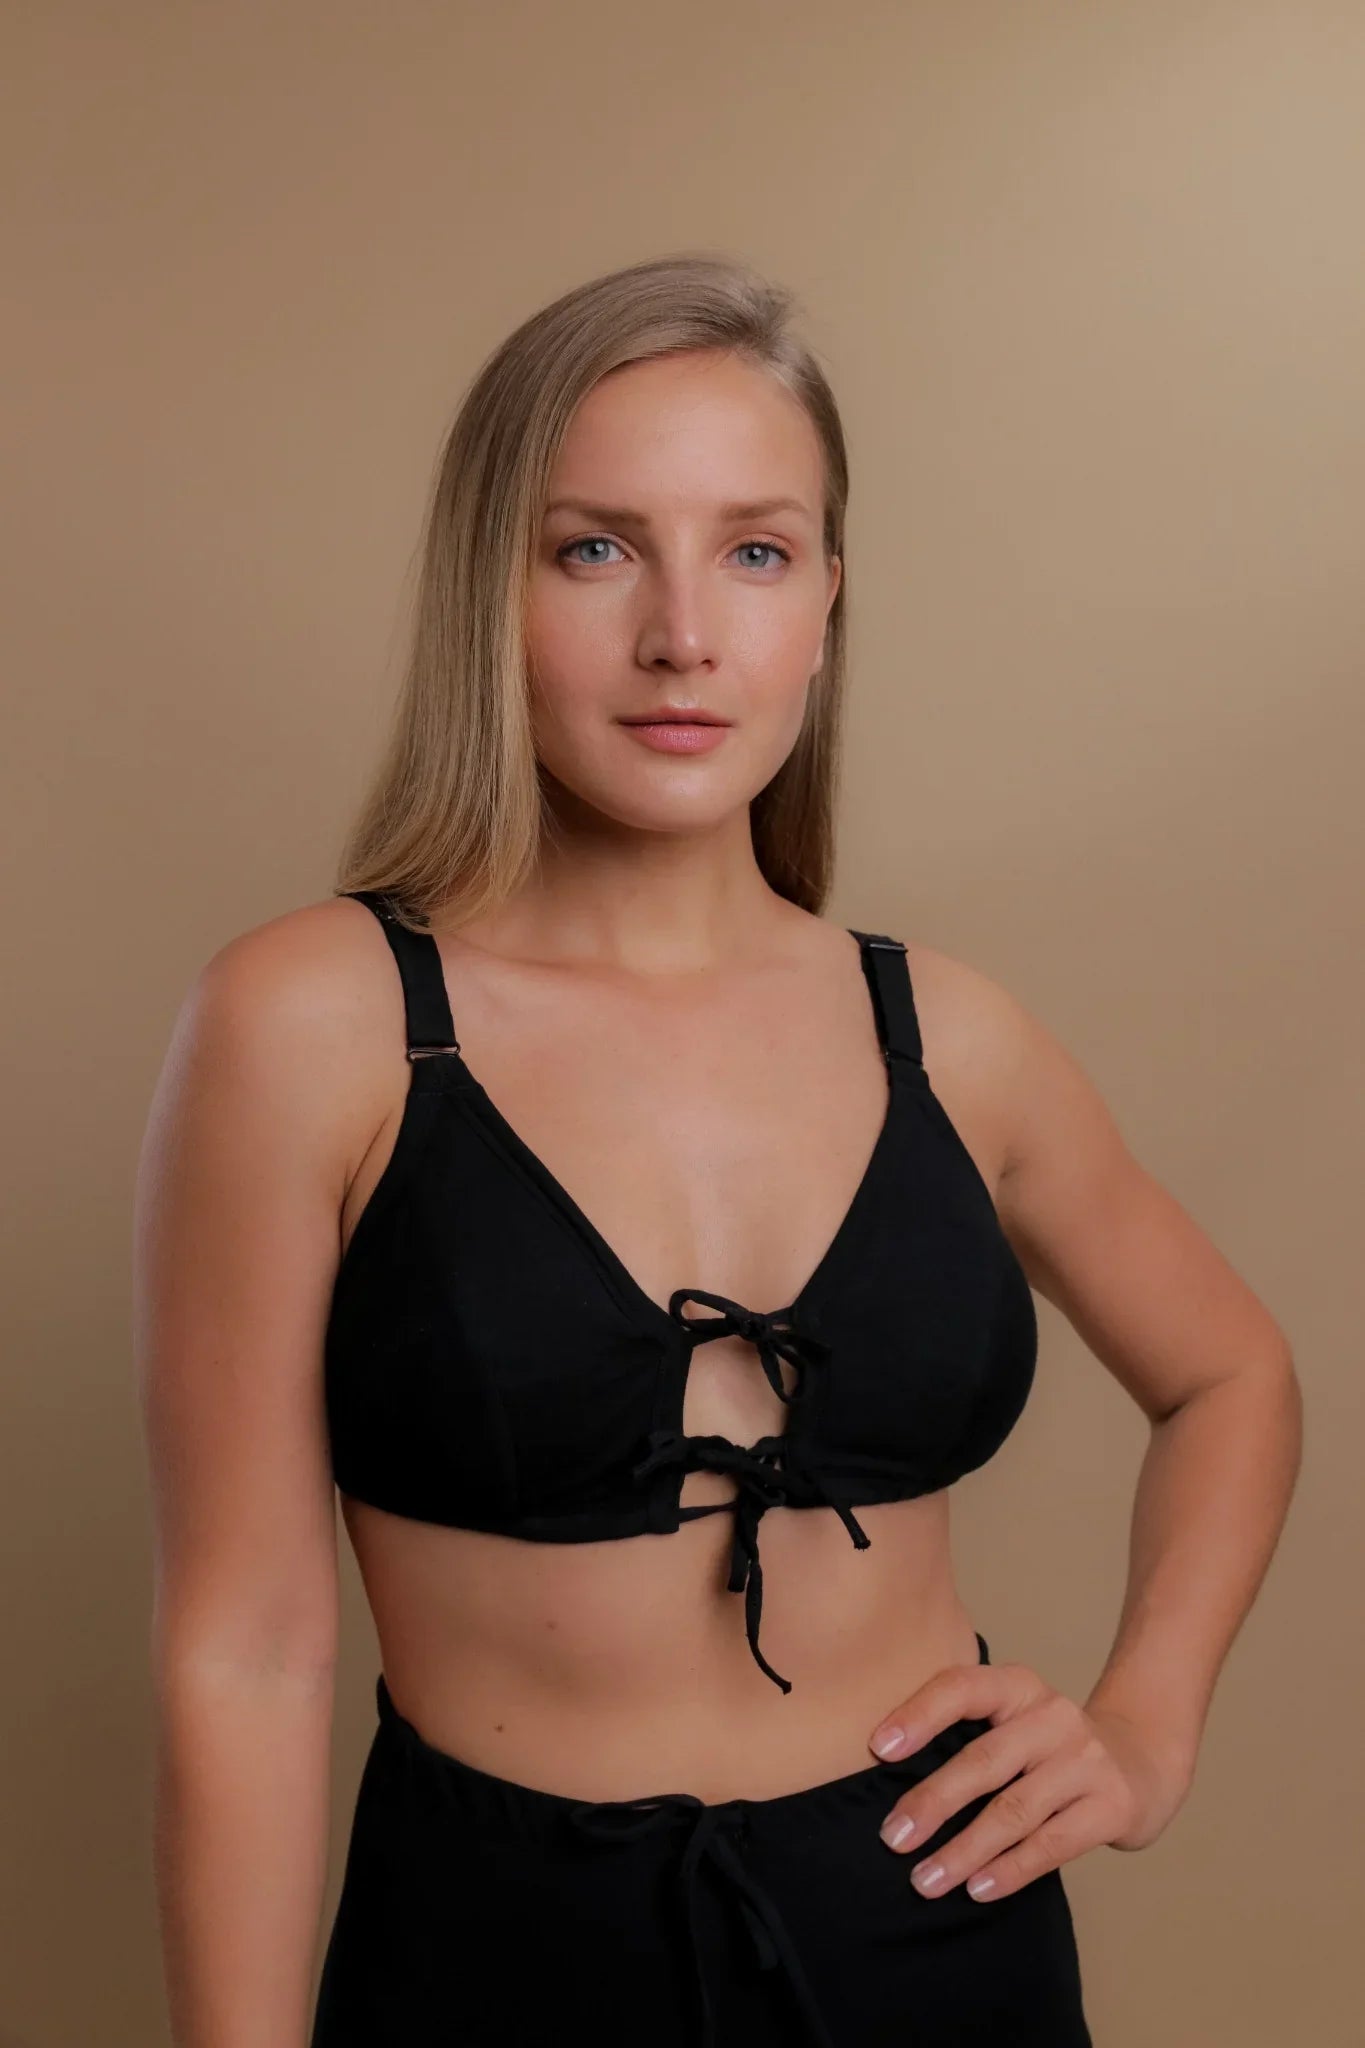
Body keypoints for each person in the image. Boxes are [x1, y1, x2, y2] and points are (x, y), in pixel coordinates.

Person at [135, 253, 1301, 2048]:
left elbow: (1231, 1375)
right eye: (596, 548)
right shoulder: (312, 1023)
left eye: (755, 551)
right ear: (487, 588)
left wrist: (1142, 1726)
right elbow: (247, 1649)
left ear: (825, 600)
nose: (682, 634)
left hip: (942, 1946)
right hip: (493, 1966)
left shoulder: (947, 1034)